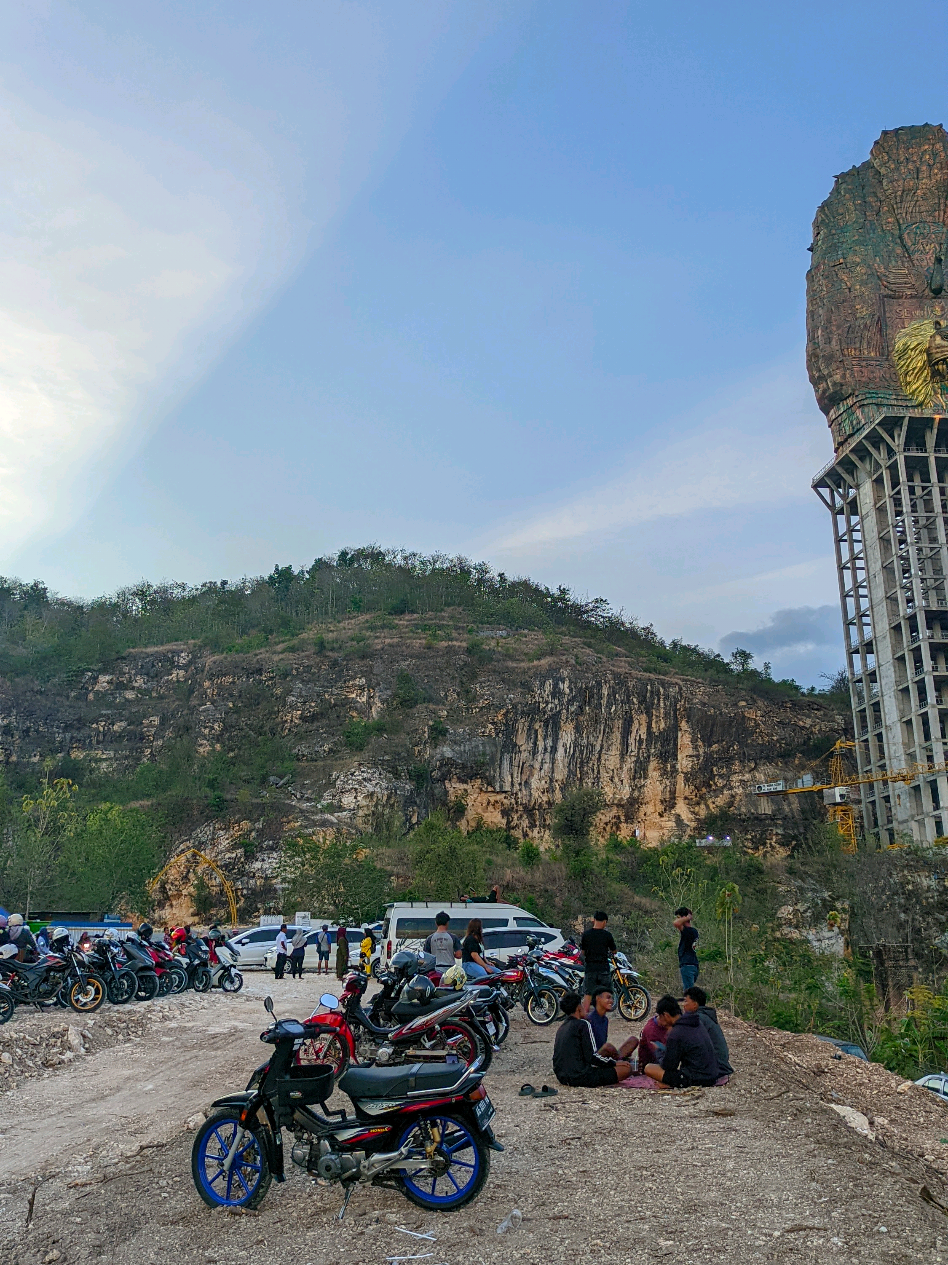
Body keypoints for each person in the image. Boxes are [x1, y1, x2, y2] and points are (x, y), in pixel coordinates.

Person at [552, 991, 632, 1087]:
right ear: (578, 1008)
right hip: (580, 1076)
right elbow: (591, 1056)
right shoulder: (583, 1024)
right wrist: (614, 1063)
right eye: (581, 1004)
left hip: (562, 1077)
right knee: (626, 1070)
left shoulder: (562, 1027)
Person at [642, 995, 719, 1089]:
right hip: (712, 1074)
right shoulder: (695, 1021)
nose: (660, 1021)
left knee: (649, 1068)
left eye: (660, 1017)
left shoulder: (676, 1033)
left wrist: (658, 1051)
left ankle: (672, 1084)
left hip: (696, 1079)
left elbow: (668, 1066)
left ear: (666, 1015)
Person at [683, 985, 734, 1076]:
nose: (684, 1005)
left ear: (695, 1004)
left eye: (686, 1001)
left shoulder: (697, 1019)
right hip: (720, 1065)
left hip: (715, 1068)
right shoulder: (706, 1016)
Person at [586, 987, 640, 1062]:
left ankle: (619, 1061)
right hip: (594, 1058)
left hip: (606, 1055)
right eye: (608, 998)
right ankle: (619, 1062)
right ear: (598, 998)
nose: (611, 1001)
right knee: (608, 1047)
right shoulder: (588, 1020)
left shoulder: (605, 1020)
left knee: (633, 1040)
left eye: (612, 998)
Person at [579, 910, 617, 1007]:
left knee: (588, 995)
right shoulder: (607, 935)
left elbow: (582, 952)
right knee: (604, 995)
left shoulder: (586, 935)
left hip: (590, 969)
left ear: (594, 920)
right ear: (605, 922)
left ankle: (584, 1019)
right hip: (603, 969)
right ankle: (600, 1018)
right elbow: (614, 951)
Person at [638, 1000, 678, 1066]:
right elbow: (661, 1057)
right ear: (666, 1016)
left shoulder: (669, 1025)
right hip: (653, 1065)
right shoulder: (651, 1030)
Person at [674, 906, 699, 992]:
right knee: (690, 990)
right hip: (693, 965)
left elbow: (676, 923)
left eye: (679, 917)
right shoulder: (694, 931)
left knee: (689, 993)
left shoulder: (688, 931)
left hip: (688, 965)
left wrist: (687, 917)